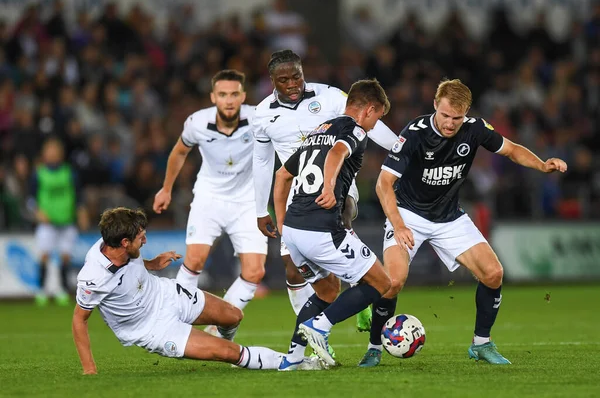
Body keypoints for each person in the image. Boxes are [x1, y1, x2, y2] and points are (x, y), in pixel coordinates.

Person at [360, 79, 568, 367]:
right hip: (408, 214)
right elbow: (384, 184)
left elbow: (511, 150)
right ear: (435, 105)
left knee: (493, 273)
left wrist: (542, 164)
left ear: (466, 112)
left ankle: (481, 343)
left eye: (456, 118)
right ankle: (374, 347)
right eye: (445, 115)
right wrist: (398, 224)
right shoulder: (414, 134)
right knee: (393, 282)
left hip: (448, 216)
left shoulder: (475, 128)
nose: (449, 123)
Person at [252, 49, 398, 331]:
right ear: (272, 81)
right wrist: (261, 210)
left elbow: (368, 122)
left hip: (337, 185)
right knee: (293, 269)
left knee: (342, 209)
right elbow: (262, 160)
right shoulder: (260, 115)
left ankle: (361, 281)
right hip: (296, 195)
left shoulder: (330, 96)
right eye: (285, 80)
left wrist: (400, 149)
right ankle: (309, 334)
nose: (293, 84)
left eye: (297, 77)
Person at [72, 207, 284, 375]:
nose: (145, 240)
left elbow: (128, 264)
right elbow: (79, 320)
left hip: (166, 294)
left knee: (234, 316)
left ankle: (218, 339)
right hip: (152, 328)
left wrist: (152, 263)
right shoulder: (93, 277)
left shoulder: (114, 242)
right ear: (125, 242)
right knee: (230, 354)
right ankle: (292, 362)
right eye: (140, 237)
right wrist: (89, 369)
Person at [272, 79, 392, 370]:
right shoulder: (354, 129)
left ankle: (293, 358)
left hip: (294, 231)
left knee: (327, 291)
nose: (375, 125)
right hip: (322, 228)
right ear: (368, 109)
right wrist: (328, 187)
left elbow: (281, 177)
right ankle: (320, 326)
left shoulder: (317, 131)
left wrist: (282, 225)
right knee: (382, 283)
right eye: (377, 118)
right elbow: (338, 153)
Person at [153, 70, 267, 339]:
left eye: (234, 94)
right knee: (194, 260)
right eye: (223, 95)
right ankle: (172, 322)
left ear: (243, 96)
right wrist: (166, 189)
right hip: (209, 197)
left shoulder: (259, 118)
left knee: (254, 271)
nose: (229, 100)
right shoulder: (197, 123)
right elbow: (180, 151)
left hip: (248, 200)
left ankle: (222, 326)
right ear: (213, 97)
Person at [29, 137, 89, 306]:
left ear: (60, 154)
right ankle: (41, 290)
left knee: (65, 257)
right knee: (44, 255)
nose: (53, 154)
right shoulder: (38, 173)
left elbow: (78, 196)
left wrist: (81, 212)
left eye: (55, 151)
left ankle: (62, 289)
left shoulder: (70, 173)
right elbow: (30, 198)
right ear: (44, 154)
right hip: (47, 223)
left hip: (67, 221)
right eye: (50, 151)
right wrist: (38, 212)